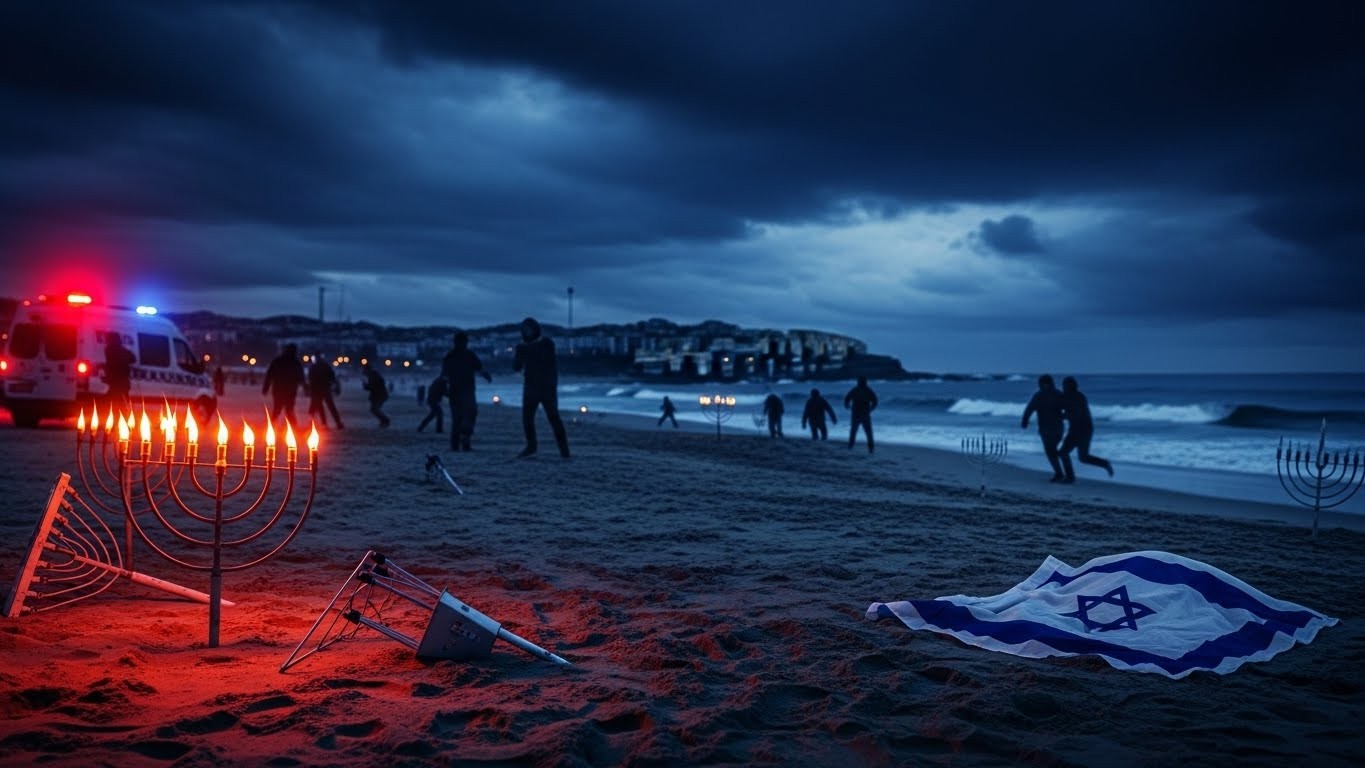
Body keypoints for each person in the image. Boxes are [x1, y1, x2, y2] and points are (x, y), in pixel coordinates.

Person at [512, 317, 569, 458]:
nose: (527, 332)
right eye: (525, 330)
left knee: (553, 418)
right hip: (530, 386)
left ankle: (564, 450)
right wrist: (519, 352)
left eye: (529, 329)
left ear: (535, 329)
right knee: (527, 418)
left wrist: (524, 348)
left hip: (547, 387)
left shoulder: (546, 343)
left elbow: (544, 357)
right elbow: (516, 367)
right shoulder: (522, 347)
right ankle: (531, 446)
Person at [441, 331, 492, 452]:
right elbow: (480, 368)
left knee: (457, 418)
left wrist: (444, 389)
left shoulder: (451, 356)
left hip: (456, 391)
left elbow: (444, 376)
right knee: (469, 414)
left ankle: (456, 445)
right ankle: (464, 442)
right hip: (465, 390)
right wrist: (486, 375)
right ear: (465, 342)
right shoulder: (467, 355)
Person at [1059, 376, 1114, 481]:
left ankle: (1070, 478)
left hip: (1080, 429)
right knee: (1083, 458)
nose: (1064, 388)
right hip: (1084, 428)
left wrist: (1062, 416)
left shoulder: (1077, 397)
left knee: (1064, 453)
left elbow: (1075, 414)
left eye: (1065, 386)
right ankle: (1105, 463)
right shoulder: (1073, 396)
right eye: (1064, 386)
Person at [1021, 374, 1067, 482]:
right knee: (1051, 450)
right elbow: (1029, 409)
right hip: (1046, 428)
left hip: (1056, 428)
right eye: (1040, 384)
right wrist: (1025, 420)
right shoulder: (1040, 395)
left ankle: (1060, 473)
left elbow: (1069, 408)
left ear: (1048, 383)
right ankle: (1059, 473)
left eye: (1042, 384)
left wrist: (1064, 416)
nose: (1040, 386)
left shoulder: (1056, 394)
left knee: (1051, 450)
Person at [262, 343, 306, 427]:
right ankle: (293, 427)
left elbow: (270, 375)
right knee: (289, 409)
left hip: (278, 389)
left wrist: (266, 387)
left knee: (277, 409)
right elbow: (301, 376)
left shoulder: (278, 361)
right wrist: (305, 387)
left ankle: (272, 426)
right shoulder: (295, 362)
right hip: (291, 389)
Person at [843, 376, 878, 453]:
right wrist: (871, 408)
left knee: (855, 431)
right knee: (865, 431)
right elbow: (875, 401)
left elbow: (847, 399)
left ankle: (851, 446)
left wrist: (847, 406)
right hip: (862, 413)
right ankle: (870, 448)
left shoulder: (857, 390)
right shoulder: (866, 390)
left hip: (859, 413)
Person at [306, 360, 345, 429]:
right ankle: (338, 423)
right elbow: (332, 377)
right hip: (325, 388)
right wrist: (334, 385)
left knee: (317, 407)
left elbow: (310, 378)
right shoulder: (326, 366)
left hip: (316, 390)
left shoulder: (313, 367)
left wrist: (309, 388)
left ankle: (321, 423)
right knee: (331, 406)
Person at [102, 334, 135, 411]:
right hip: (120, 380)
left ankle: (115, 413)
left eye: (108, 340)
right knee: (120, 399)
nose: (107, 342)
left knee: (115, 398)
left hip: (116, 379)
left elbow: (132, 358)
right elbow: (133, 358)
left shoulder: (109, 349)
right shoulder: (117, 350)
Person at [362, 362, 391, 428]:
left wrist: (365, 385)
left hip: (379, 395)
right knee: (374, 409)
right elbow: (373, 386)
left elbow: (373, 386)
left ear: (367, 370)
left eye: (365, 371)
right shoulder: (373, 375)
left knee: (374, 409)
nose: (364, 373)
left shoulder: (373, 376)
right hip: (379, 395)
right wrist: (366, 386)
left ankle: (385, 420)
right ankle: (384, 421)